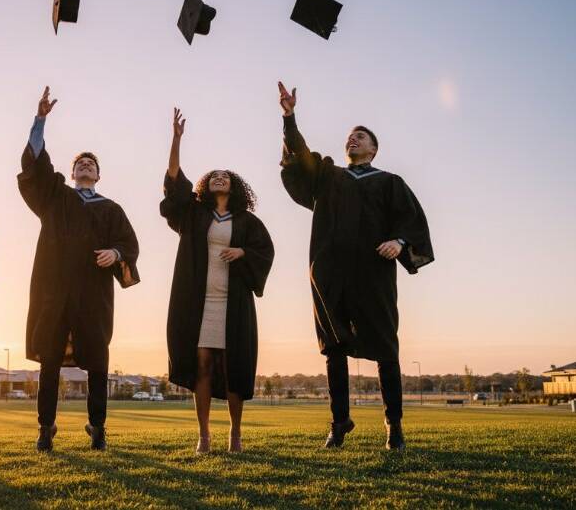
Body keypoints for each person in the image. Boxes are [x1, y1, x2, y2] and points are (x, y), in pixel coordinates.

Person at [277, 81, 434, 451]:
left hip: (373, 271)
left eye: (360, 137)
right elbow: (298, 158)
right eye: (349, 136)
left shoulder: (390, 182)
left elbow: (412, 221)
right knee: (332, 346)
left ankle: (393, 426)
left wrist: (399, 242)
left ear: (373, 148)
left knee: (385, 348)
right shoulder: (329, 176)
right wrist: (289, 117)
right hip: (330, 271)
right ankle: (339, 422)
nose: (352, 140)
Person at [18, 86, 140, 452]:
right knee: (50, 362)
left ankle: (98, 427)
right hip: (54, 291)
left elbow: (130, 245)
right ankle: (45, 428)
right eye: (79, 164)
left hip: (92, 295)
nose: (85, 166)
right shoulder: (57, 198)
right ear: (71, 173)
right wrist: (40, 120)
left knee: (98, 363)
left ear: (99, 176)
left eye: (91, 164)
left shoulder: (111, 209)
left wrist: (116, 254)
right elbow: (37, 166)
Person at [160, 108, 274, 453]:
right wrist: (176, 140)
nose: (219, 178)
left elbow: (265, 251)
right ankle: (204, 436)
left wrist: (242, 253)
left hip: (234, 303)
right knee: (203, 365)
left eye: (225, 176)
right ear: (206, 185)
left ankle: (235, 434)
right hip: (199, 302)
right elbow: (174, 183)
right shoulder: (194, 214)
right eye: (214, 176)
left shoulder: (247, 220)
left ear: (234, 186)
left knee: (234, 366)